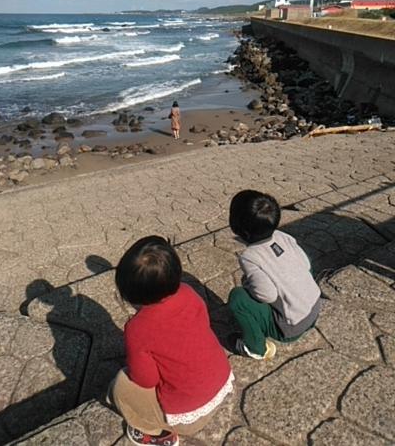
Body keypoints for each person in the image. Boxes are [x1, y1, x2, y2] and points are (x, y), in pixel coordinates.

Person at [110, 236, 234, 446]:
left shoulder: (137, 329)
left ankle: (155, 433)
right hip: (220, 385)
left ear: (129, 293)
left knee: (120, 385)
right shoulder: (189, 292)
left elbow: (145, 380)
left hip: (188, 417)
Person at [228, 190, 321, 360]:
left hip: (291, 328)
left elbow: (267, 295)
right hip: (314, 309)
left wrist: (248, 285)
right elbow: (306, 264)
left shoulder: (250, 256)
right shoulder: (283, 237)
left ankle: (255, 348)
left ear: (239, 229)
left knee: (238, 298)